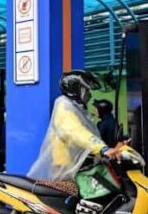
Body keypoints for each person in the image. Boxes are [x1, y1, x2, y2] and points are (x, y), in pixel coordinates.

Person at [28, 70, 121, 199]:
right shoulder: (64, 106)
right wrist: (102, 148)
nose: (89, 95)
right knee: (66, 201)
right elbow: (76, 132)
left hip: (75, 165)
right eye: (86, 90)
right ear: (75, 89)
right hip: (64, 166)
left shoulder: (76, 107)